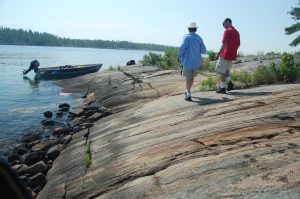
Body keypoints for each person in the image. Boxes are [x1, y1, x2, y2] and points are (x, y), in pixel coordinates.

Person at [179, 22, 206, 101]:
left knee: (188, 79)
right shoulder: (199, 38)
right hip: (196, 62)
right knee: (191, 78)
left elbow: (181, 48)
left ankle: (188, 94)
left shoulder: (186, 38)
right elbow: (204, 50)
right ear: (196, 29)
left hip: (187, 62)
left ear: (188, 29)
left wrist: (180, 56)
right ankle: (188, 91)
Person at [215, 18, 240, 94]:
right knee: (226, 71)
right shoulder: (236, 32)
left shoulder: (227, 31)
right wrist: (234, 52)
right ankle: (229, 82)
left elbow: (225, 43)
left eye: (223, 23)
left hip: (225, 54)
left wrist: (218, 53)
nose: (223, 26)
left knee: (221, 71)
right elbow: (238, 44)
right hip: (232, 55)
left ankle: (222, 88)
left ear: (228, 22)